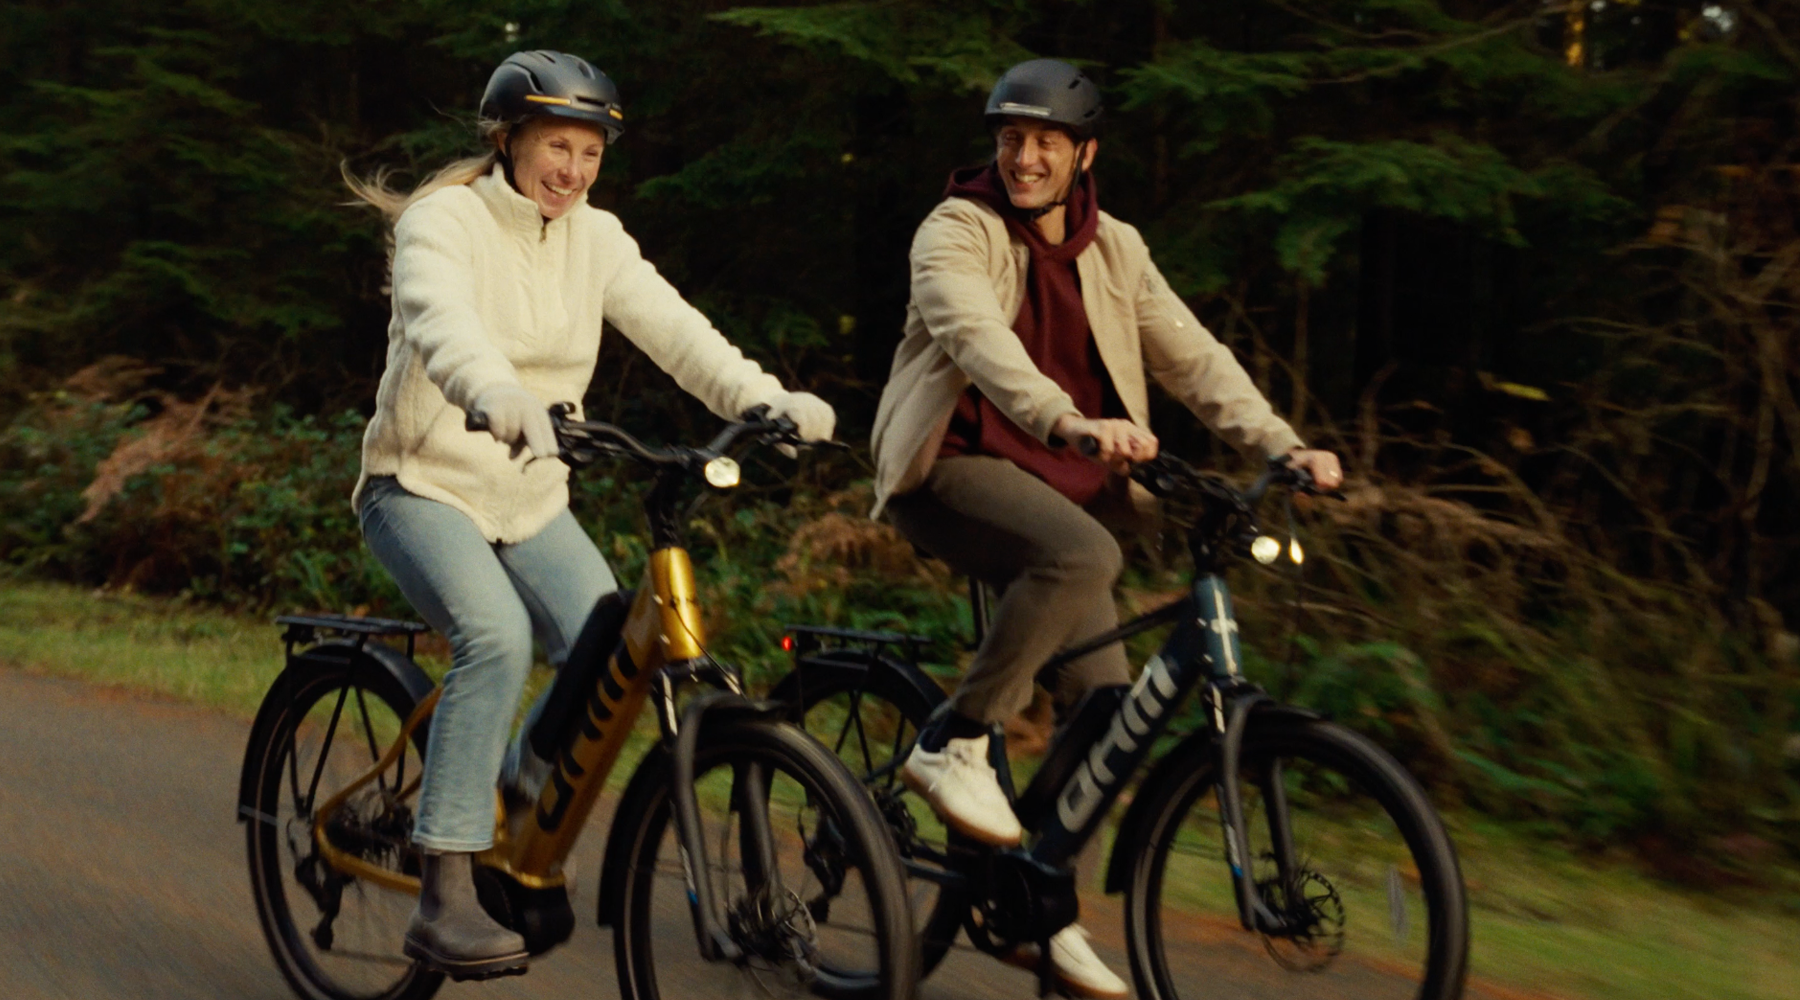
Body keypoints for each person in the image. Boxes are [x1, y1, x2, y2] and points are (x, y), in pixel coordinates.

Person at [347, 50, 835, 979]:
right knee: (495, 636)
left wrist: (764, 401)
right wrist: (490, 390)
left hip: (529, 494)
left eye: (590, 151)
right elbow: (438, 317)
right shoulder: (442, 221)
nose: (571, 169)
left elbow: (680, 332)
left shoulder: (596, 240)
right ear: (508, 140)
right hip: (421, 484)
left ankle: (517, 796)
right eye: (555, 146)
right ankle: (445, 888)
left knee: (608, 643)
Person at [868, 58, 1344, 998]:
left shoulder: (1115, 247)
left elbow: (1193, 357)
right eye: (1011, 138)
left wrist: (1282, 446)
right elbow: (976, 337)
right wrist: (1068, 420)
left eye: (1046, 141)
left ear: (1085, 154)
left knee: (1107, 710)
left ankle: (1035, 908)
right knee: (1085, 553)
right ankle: (952, 740)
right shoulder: (955, 229)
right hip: (955, 466)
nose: (1025, 156)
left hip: (1065, 482)